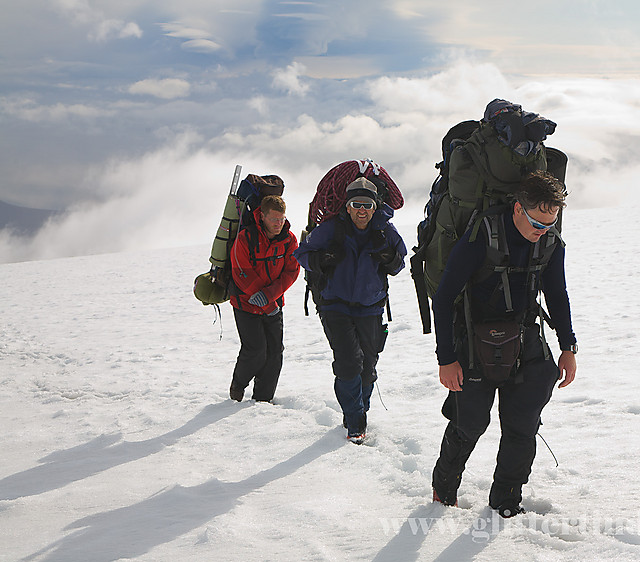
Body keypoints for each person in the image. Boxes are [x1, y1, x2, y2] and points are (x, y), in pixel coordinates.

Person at [430, 170, 578, 518]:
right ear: (516, 209)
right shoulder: (483, 232)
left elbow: (557, 294)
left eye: (550, 222)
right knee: (469, 423)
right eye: (536, 223)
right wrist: (446, 358)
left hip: (526, 340)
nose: (542, 231)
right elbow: (444, 296)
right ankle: (444, 489)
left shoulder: (550, 241)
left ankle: (506, 502)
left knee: (522, 426)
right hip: (473, 342)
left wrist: (568, 346)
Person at [294, 178, 407, 444]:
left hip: (370, 307)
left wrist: (388, 258)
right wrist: (321, 260)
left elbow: (400, 262)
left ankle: (358, 411)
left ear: (374, 206)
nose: (361, 210)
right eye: (356, 204)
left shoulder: (384, 231)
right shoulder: (331, 230)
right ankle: (356, 423)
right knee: (348, 363)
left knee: (368, 367)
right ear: (347, 206)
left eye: (367, 204)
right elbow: (302, 253)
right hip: (335, 305)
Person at [229, 194, 300, 403]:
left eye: (281, 219)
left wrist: (269, 297)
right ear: (262, 217)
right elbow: (240, 272)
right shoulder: (245, 238)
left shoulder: (289, 239)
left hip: (274, 304)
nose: (279, 224)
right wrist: (262, 298)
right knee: (256, 351)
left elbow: (292, 271)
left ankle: (263, 401)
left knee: (275, 354)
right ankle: (238, 387)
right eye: (273, 219)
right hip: (246, 304)